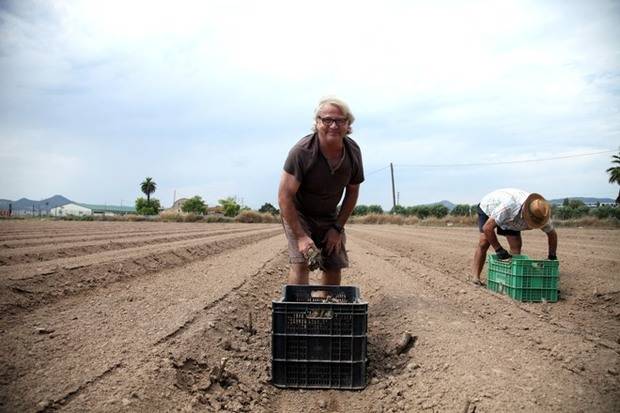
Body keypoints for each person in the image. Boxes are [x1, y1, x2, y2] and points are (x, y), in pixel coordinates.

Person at [278, 97, 364, 286]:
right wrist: (301, 236)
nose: (333, 125)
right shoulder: (301, 152)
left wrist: (337, 228)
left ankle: (327, 309)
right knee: (302, 262)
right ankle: (298, 312)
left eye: (340, 120)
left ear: (348, 125)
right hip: (298, 212)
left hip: (328, 214)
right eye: (327, 120)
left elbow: (352, 192)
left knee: (334, 262)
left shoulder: (353, 152)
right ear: (317, 123)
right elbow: (285, 196)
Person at [472, 188, 558, 285]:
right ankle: (476, 277)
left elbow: (552, 235)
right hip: (489, 208)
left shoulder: (541, 215)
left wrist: (552, 256)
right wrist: (499, 250)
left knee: (516, 246)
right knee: (484, 242)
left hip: (512, 220)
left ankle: (511, 279)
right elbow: (487, 228)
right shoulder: (510, 206)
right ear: (526, 213)